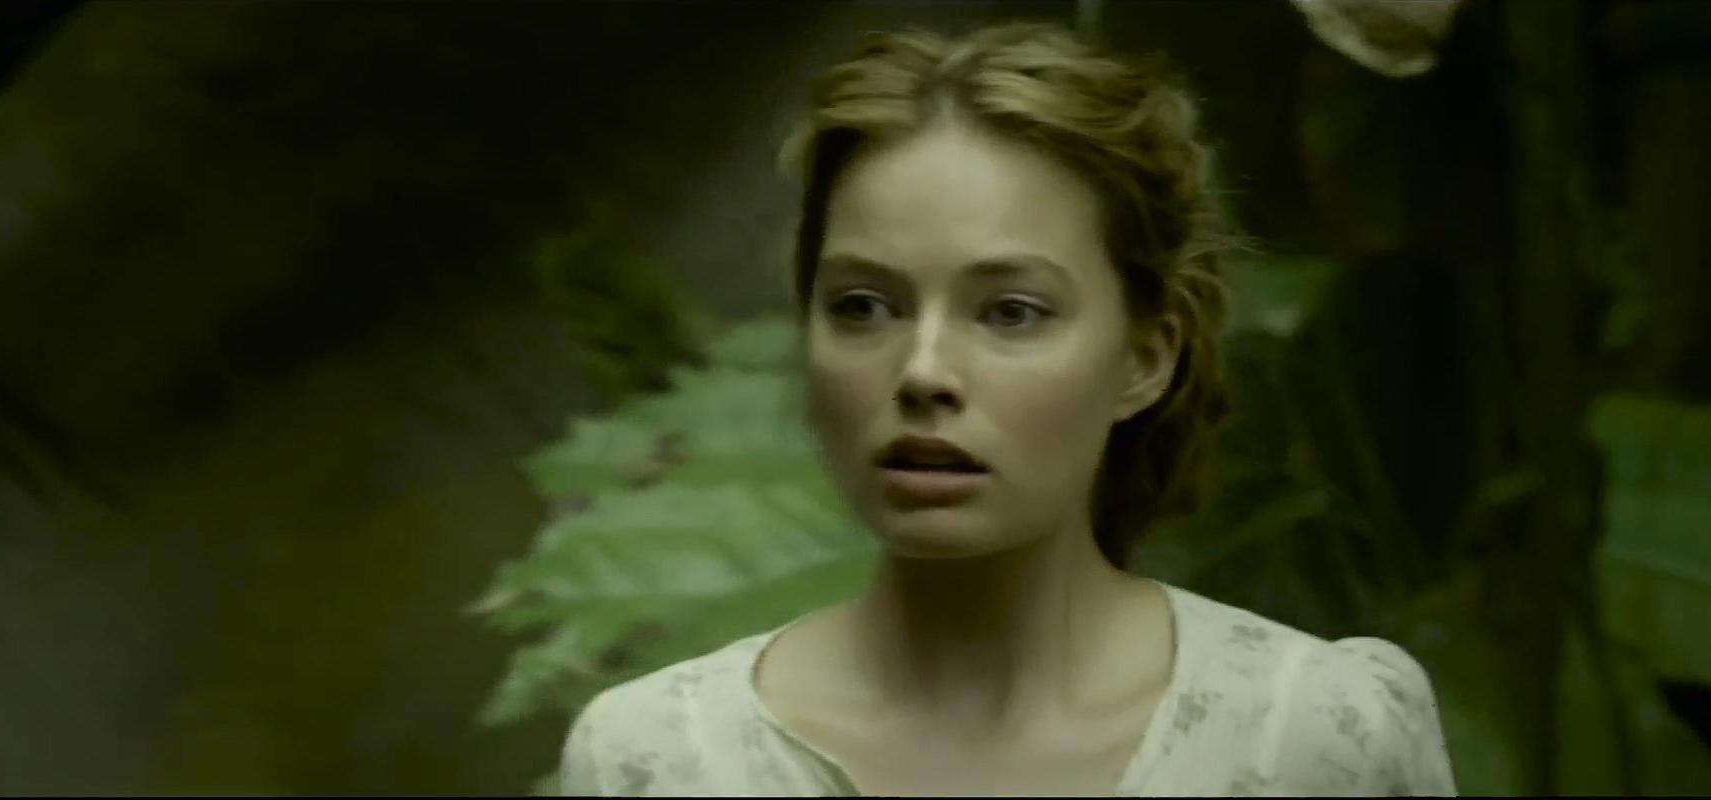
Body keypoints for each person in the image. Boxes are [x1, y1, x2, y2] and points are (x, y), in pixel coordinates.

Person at [556, 21, 1456, 797]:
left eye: (1011, 312)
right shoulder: (656, 759)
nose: (922, 371)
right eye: (862, 306)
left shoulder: (1318, 736)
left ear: (1144, 359)